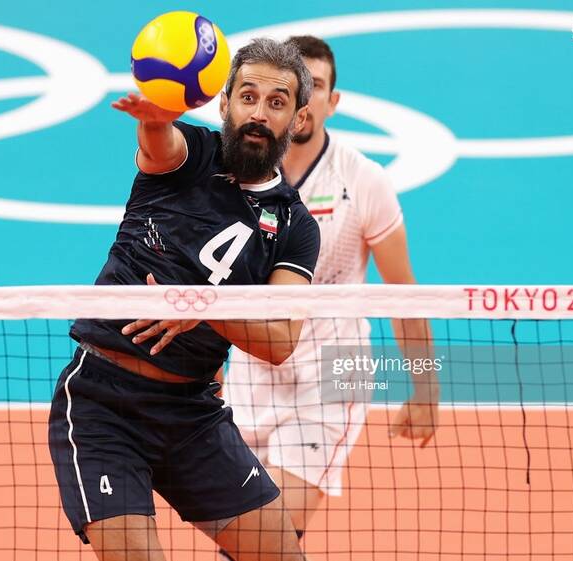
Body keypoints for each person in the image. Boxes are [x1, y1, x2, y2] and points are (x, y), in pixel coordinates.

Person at [48, 38, 319, 561]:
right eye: (248, 97)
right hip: (104, 405)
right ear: (225, 103)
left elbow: (281, 340)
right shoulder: (193, 156)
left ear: (298, 118)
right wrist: (155, 121)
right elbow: (160, 146)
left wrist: (201, 308)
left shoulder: (295, 227)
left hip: (192, 414)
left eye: (277, 102)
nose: (259, 114)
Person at [218, 36, 440, 557]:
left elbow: (402, 293)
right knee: (245, 541)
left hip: (335, 371)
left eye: (316, 85)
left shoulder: (363, 180)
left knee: (262, 532)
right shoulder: (237, 173)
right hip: (252, 369)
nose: (306, 96)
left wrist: (427, 389)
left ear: (330, 101)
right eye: (297, 87)